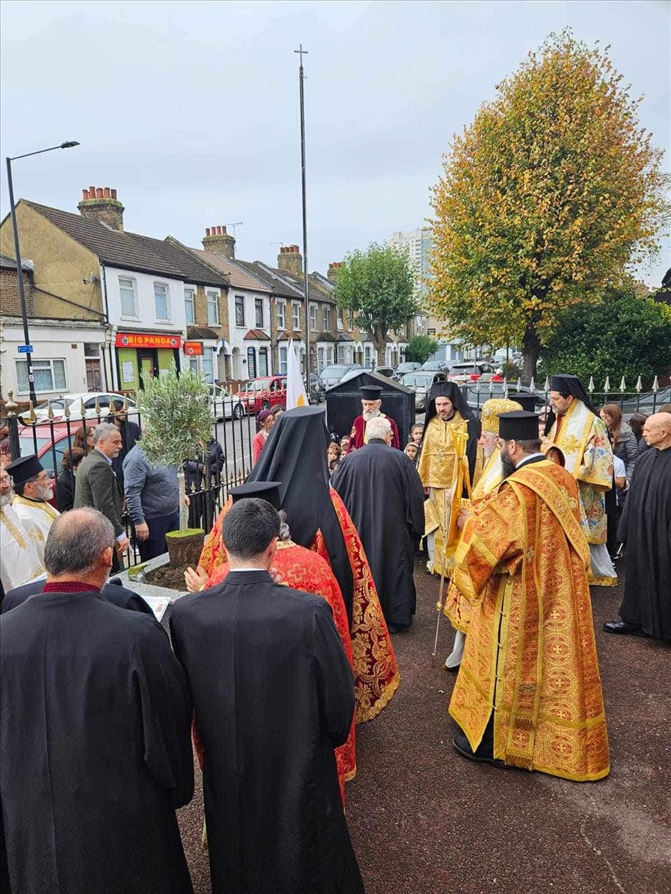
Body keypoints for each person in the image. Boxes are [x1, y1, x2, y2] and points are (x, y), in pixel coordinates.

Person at [170, 498, 364, 894]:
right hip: (299, 758)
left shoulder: (186, 614)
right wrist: (328, 738)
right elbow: (339, 699)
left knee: (236, 851)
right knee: (305, 850)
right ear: (274, 547)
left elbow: (181, 699)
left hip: (226, 760)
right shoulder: (309, 612)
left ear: (224, 546)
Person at [0, 508, 194, 893]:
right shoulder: (136, 635)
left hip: (31, 825)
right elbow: (168, 721)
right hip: (123, 824)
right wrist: (176, 788)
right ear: (107, 556)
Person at [198, 406, 399, 724]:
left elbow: (214, 558)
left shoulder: (243, 497)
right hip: (308, 623)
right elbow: (351, 567)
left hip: (243, 621)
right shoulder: (328, 502)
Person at [448, 411, 610, 781]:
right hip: (561, 588)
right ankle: (549, 744)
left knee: (509, 664)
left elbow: (493, 548)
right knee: (554, 667)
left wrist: (467, 524)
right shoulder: (560, 475)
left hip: (522, 592)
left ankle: (495, 745)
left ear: (511, 447)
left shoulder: (518, 490)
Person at [184, 481, 356, 802]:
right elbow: (338, 665)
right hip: (299, 734)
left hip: (232, 744)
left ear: (224, 542)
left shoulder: (209, 588)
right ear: (274, 541)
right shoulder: (317, 569)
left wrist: (202, 593)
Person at [442, 397, 522, 670]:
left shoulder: (509, 466)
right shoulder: (494, 459)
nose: (481, 441)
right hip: (476, 536)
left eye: (485, 436)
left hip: (490, 542)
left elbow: (498, 508)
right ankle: (461, 649)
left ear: (499, 439)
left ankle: (471, 653)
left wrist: (466, 514)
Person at [333, 416, 425, 633]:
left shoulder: (349, 461)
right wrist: (416, 531)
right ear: (388, 436)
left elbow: (335, 496)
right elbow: (416, 496)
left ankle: (362, 616)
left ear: (366, 436)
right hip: (394, 530)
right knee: (394, 569)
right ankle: (395, 617)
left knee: (361, 570)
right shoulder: (401, 460)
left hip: (358, 528)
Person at [604, 412, 671, 641]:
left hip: (664, 532)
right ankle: (634, 620)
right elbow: (632, 498)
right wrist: (624, 530)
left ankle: (665, 629)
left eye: (648, 430)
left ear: (664, 433)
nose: (643, 434)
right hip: (641, 530)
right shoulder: (644, 459)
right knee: (637, 575)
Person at [545, 374, 616, 586]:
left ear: (570, 398)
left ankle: (586, 572)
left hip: (581, 487)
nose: (552, 403)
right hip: (557, 484)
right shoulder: (558, 420)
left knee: (582, 530)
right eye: (551, 398)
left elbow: (601, 456)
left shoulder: (592, 422)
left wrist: (574, 473)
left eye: (556, 398)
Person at [417, 381, 480, 575]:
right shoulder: (432, 424)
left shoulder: (464, 423)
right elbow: (426, 453)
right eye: (438, 404)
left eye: (445, 404)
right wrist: (423, 480)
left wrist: (460, 484)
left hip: (455, 486)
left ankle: (453, 568)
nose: (441, 409)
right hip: (435, 485)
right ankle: (436, 564)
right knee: (436, 526)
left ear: (453, 403)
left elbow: (470, 457)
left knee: (453, 526)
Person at [74, 422, 130, 572]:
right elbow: (104, 506)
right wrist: (120, 534)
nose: (120, 446)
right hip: (96, 534)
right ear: (101, 442)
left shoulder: (91, 460)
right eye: (116, 442)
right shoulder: (99, 465)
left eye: (120, 442)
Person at [123, 441, 182, 562]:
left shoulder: (166, 449)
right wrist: (139, 521)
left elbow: (171, 476)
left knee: (172, 559)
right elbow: (132, 493)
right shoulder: (137, 458)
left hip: (172, 514)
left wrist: (180, 494)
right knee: (155, 562)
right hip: (152, 520)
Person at [5, 454, 60, 562]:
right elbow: (40, 555)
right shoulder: (24, 517)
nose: (50, 482)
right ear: (29, 487)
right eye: (44, 478)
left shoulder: (36, 500)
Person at [0, 466, 45, 594]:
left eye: (6, 478)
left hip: (33, 580)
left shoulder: (6, 506)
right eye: (0, 481)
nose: (6, 485)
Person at [184, 436, 225, 529]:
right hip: (194, 484)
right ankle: (195, 535)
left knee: (209, 512)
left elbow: (221, 460)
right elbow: (185, 463)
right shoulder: (189, 443)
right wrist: (201, 468)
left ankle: (208, 533)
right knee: (195, 514)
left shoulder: (213, 443)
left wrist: (209, 469)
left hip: (212, 483)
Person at [347, 384, 400, 450]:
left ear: (379, 404)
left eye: (371, 404)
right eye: (365, 404)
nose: (367, 408)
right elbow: (352, 444)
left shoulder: (389, 423)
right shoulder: (358, 421)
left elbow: (394, 447)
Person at [107, 398, 140, 493]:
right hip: (114, 468)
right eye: (121, 412)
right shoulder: (105, 428)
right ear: (114, 412)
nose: (124, 415)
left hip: (131, 467)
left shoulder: (132, 427)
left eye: (125, 412)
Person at [599, 404, 637, 481]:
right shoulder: (602, 430)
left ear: (614, 417)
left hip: (622, 475)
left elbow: (633, 459)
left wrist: (627, 480)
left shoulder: (627, 433)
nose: (602, 420)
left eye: (605, 417)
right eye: (601, 417)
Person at [56, 446, 86, 512]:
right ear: (74, 466)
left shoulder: (81, 475)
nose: (86, 465)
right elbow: (65, 508)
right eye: (83, 463)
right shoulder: (63, 482)